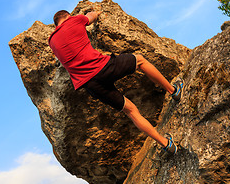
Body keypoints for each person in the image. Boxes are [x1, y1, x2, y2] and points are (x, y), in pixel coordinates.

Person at [48, 9, 183, 155]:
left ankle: (166, 144)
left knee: (131, 111)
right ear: (68, 16)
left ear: (56, 24)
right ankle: (174, 91)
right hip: (103, 67)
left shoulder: (52, 42)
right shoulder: (74, 20)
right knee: (140, 60)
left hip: (90, 84)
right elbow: (91, 16)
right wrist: (95, 11)